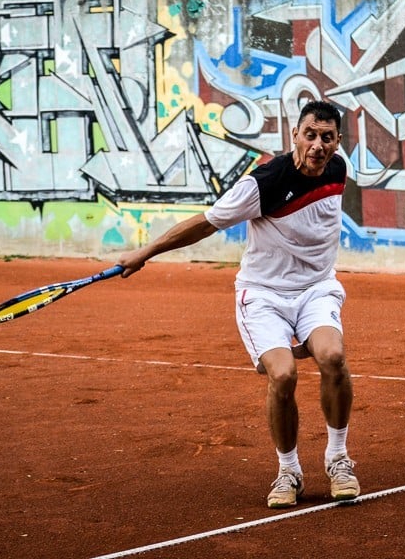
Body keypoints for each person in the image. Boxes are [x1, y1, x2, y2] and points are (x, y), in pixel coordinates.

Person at [117, 100, 359, 508]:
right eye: (310, 135)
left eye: (327, 137)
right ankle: (289, 470)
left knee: (332, 356)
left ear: (337, 142)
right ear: (294, 136)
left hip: (316, 288)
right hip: (263, 294)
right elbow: (205, 222)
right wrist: (146, 252)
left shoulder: (338, 168)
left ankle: (338, 458)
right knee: (282, 376)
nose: (318, 145)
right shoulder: (263, 184)